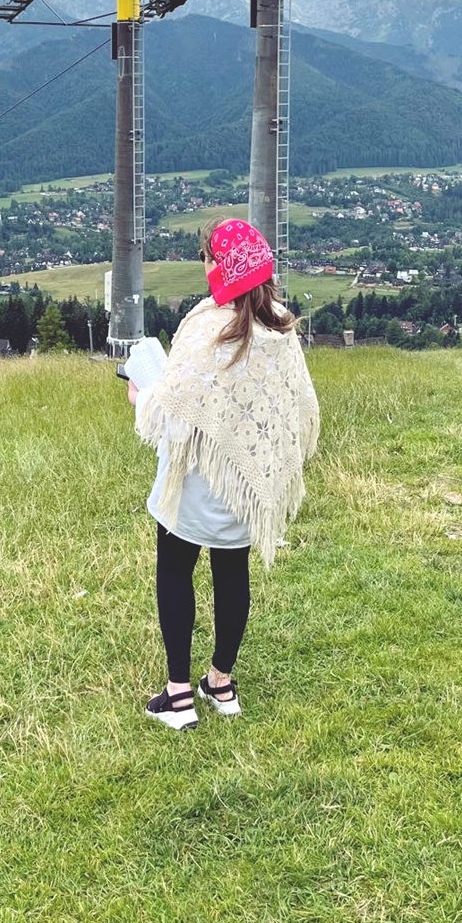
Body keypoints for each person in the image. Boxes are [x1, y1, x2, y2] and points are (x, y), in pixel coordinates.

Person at [128, 217, 320, 730]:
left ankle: (178, 696)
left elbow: (170, 407)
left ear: (217, 264)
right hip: (244, 483)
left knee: (174, 570)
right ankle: (221, 682)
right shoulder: (280, 326)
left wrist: (140, 394)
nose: (207, 266)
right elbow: (292, 407)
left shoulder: (207, 324)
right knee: (232, 573)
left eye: (208, 257)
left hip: (194, 483)